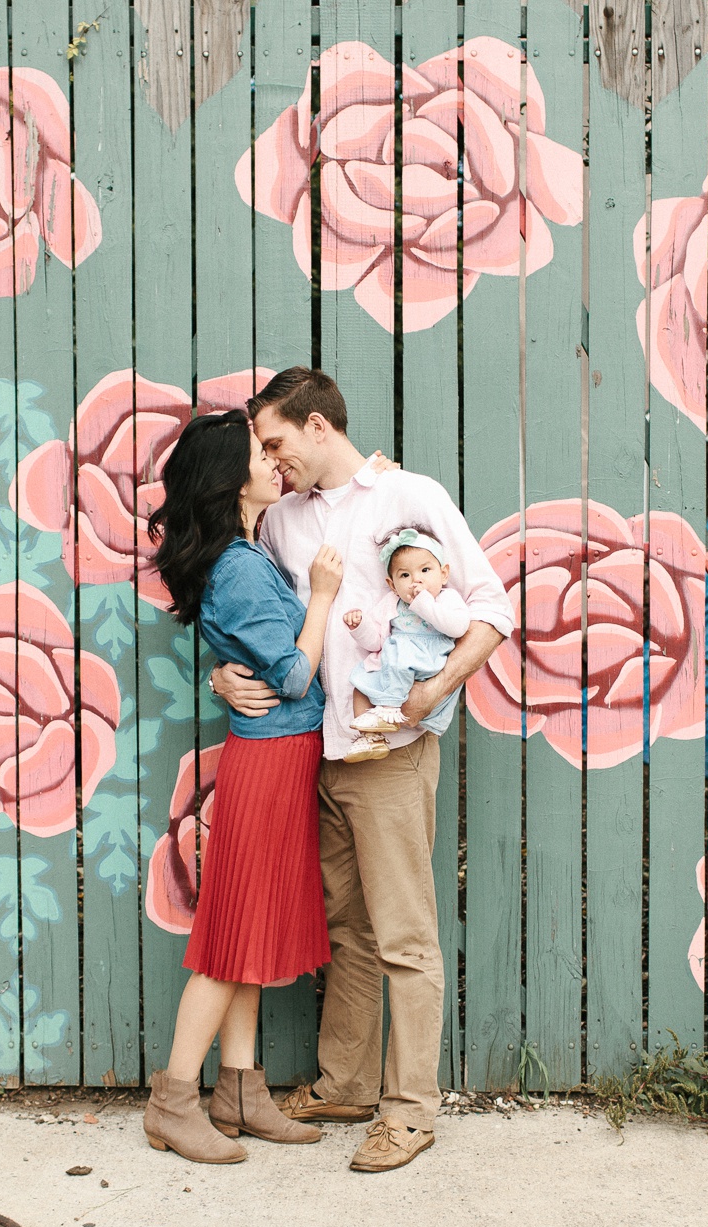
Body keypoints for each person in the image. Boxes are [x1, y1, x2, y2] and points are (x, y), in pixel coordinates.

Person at [213, 367, 511, 1174]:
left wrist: (435, 690)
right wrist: (222, 675)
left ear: (318, 426)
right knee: (346, 928)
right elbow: (260, 623)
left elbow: (493, 608)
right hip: (315, 753)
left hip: (389, 752)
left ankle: (411, 1109)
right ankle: (345, 1083)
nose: (271, 462)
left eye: (276, 442)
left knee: (405, 933)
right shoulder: (280, 522)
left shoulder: (409, 497)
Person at [143, 409, 344, 1164]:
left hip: (279, 761)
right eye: (261, 453)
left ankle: (238, 1090)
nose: (273, 460)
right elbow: (294, 675)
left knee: (250, 932)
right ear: (233, 479)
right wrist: (322, 595)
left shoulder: (248, 552)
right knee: (229, 942)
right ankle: (174, 1099)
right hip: (268, 763)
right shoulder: (237, 564)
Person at [341, 529, 472, 762]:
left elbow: (457, 627)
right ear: (392, 585)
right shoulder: (392, 603)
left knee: (401, 655)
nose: (416, 580)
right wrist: (360, 626)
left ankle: (388, 709)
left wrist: (424, 602)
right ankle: (371, 739)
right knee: (361, 683)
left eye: (425, 570)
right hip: (395, 658)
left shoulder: (446, 599)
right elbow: (377, 641)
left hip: (429, 658)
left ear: (443, 574)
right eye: (405, 576)